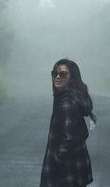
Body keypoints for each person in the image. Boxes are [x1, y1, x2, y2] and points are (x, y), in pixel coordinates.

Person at [40, 59, 97, 187]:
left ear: (72, 78)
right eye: (55, 73)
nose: (57, 77)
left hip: (65, 173)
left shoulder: (67, 102)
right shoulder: (72, 97)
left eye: (63, 74)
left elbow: (69, 139)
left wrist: (56, 159)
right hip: (74, 169)